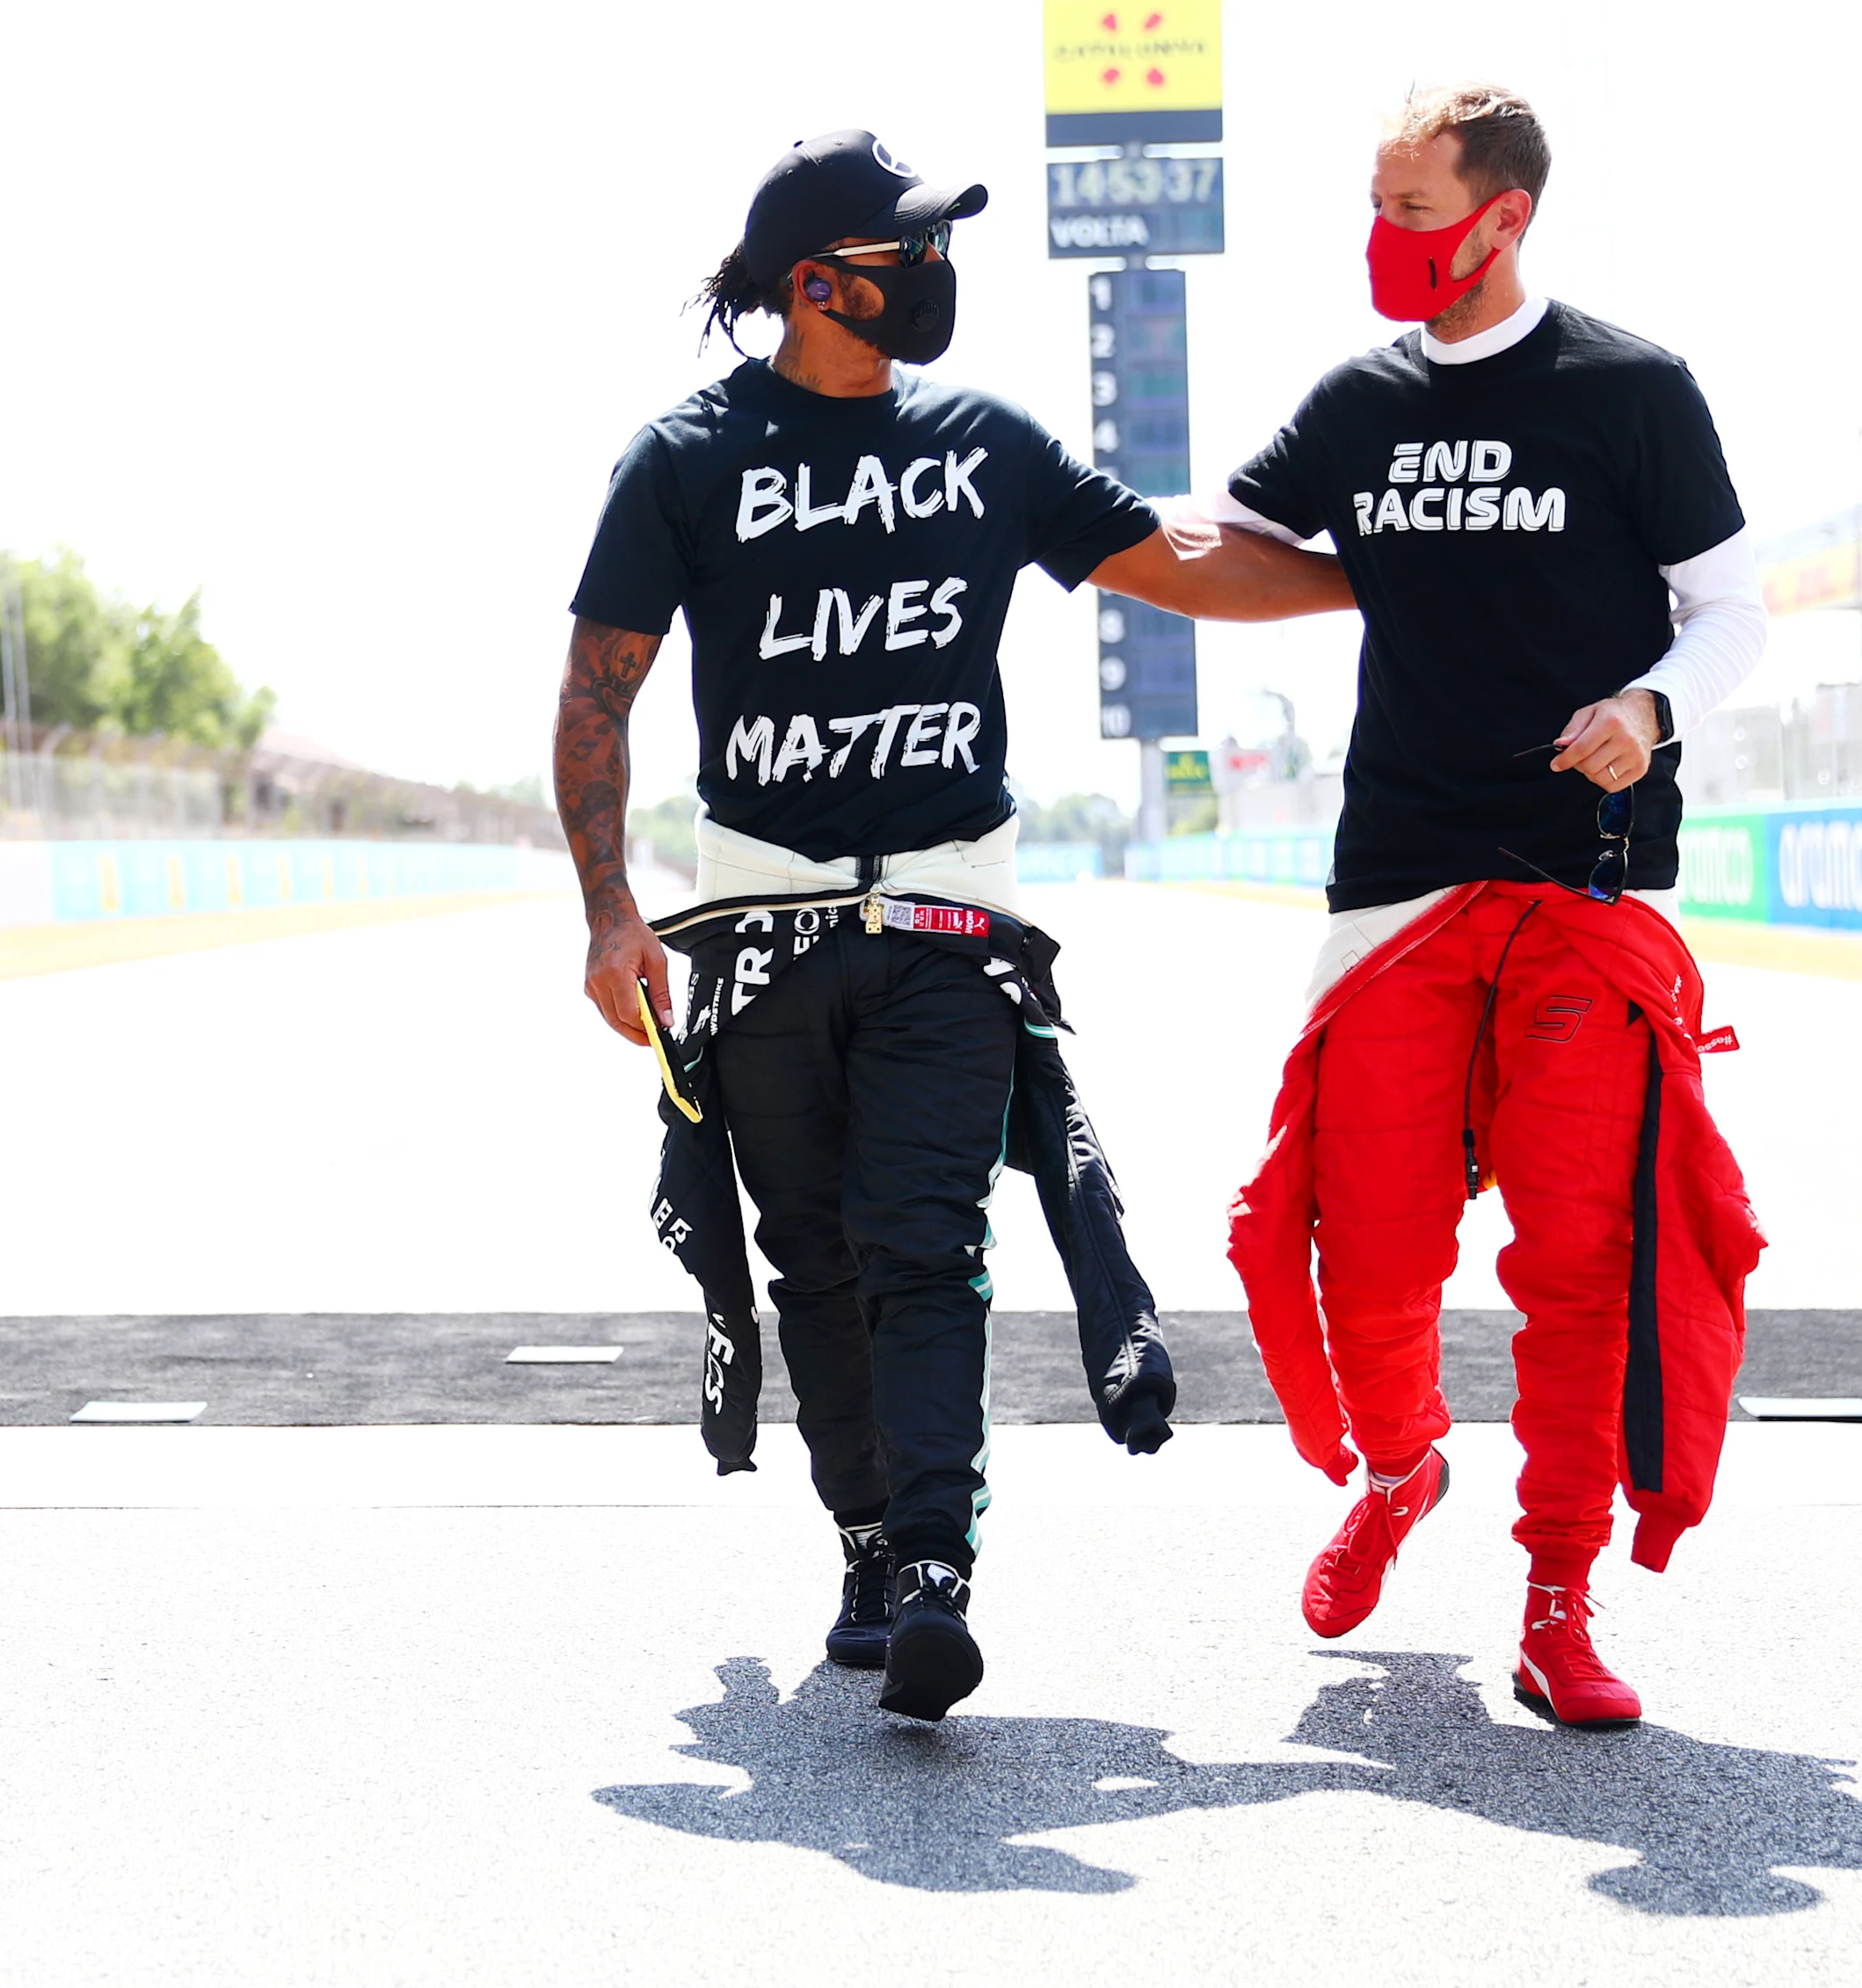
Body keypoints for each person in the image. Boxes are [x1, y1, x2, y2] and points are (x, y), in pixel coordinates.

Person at [556, 129, 1352, 1722]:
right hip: (759, 939)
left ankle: (932, 1564)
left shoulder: (986, 444)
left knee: (927, 1246)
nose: (934, 275)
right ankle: (864, 1542)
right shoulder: (685, 457)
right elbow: (597, 696)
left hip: (947, 928)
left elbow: (1177, 557)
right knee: (816, 1265)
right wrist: (608, 912)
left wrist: (1383, 581)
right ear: (814, 283)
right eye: (906, 250)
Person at [1218, 85, 1771, 1727]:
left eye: (1411, 211)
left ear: (1505, 215)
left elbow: (1733, 611)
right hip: (1394, 877)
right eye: (1375, 210)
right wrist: (1065, 526)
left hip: (1581, 888)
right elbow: (1235, 542)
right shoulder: (1355, 403)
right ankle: (1396, 1472)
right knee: (1361, 1248)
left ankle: (1557, 1598)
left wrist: (1650, 709)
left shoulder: (1631, 387)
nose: (1385, 242)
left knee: (1585, 1264)